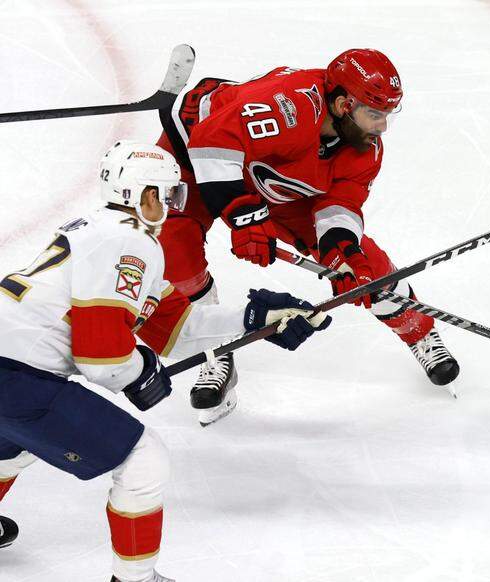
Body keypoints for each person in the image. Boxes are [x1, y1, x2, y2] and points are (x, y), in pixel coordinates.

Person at [0, 141, 331, 582]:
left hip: (10, 370)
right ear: (147, 196)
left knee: (13, 444)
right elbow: (101, 356)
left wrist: (257, 318)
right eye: (171, 194)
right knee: (143, 459)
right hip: (17, 378)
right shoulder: (129, 241)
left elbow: (177, 328)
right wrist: (138, 371)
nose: (174, 206)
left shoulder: (99, 231)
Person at [156, 48, 459, 425]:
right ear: (344, 104)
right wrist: (245, 219)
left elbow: (340, 206)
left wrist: (342, 255)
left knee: (364, 265)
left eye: (387, 115)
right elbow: (212, 143)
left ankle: (418, 331)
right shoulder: (292, 107)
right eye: (374, 114)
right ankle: (214, 349)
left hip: (273, 179)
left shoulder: (364, 149)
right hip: (193, 156)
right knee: (174, 252)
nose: (382, 127)